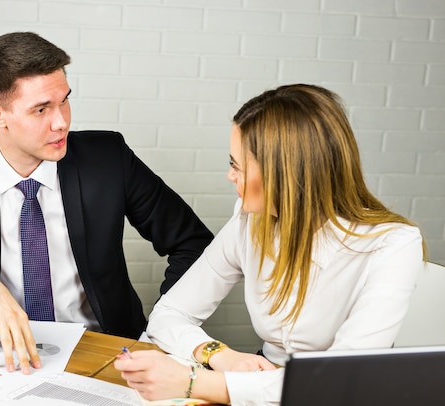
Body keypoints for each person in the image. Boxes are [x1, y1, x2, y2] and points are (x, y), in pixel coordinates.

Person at [0, 32, 213, 375]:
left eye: (64, 101)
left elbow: (194, 245)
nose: (61, 122)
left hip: (105, 350)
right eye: (41, 109)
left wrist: (164, 326)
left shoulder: (108, 159)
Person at [114, 84, 426, 405]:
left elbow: (337, 380)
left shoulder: (393, 245)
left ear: (284, 173)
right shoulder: (250, 220)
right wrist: (219, 355)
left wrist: (195, 382)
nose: (229, 176)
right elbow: (169, 313)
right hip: (258, 386)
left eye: (237, 165)